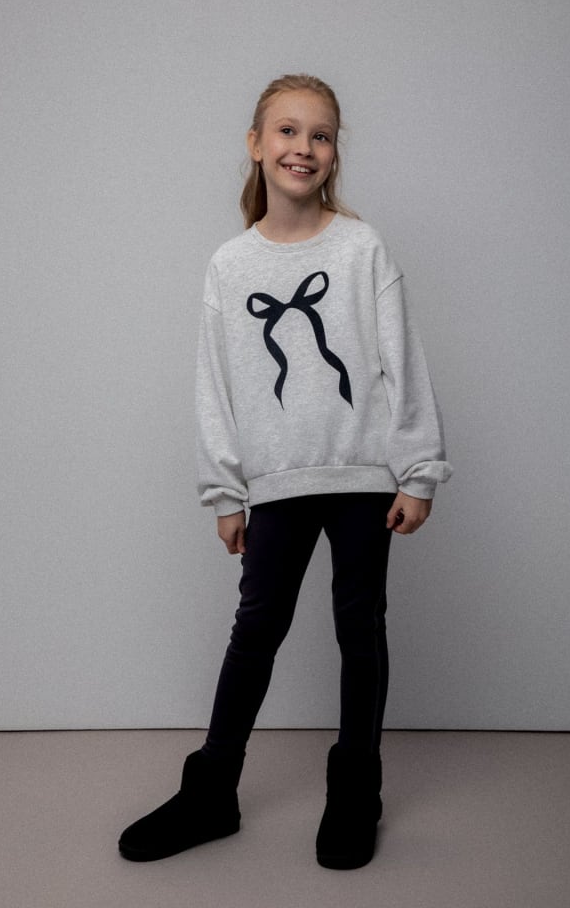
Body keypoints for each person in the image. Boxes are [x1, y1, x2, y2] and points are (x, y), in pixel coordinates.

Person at [118, 73, 452, 869]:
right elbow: (215, 385)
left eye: (320, 135)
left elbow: (402, 360)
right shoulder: (230, 265)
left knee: (359, 627)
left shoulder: (361, 248)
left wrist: (418, 470)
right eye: (288, 131)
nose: (304, 147)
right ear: (256, 144)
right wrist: (224, 490)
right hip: (276, 482)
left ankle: (356, 790)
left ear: (335, 152)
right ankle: (212, 790)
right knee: (257, 627)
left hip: (364, 475)